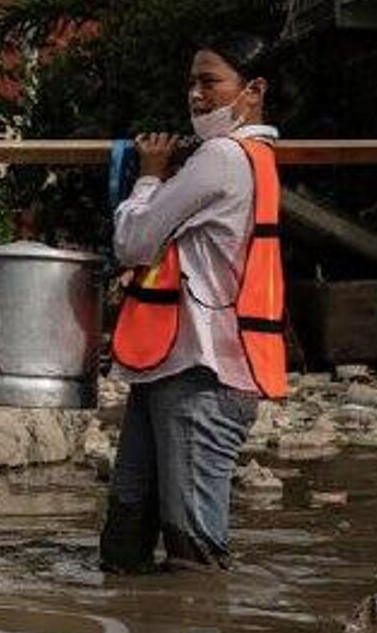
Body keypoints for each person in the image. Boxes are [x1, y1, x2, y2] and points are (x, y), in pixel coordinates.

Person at [101, 33, 288, 573]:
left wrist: (149, 178)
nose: (196, 95)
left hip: (203, 375)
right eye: (192, 83)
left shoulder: (224, 157)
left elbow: (133, 241)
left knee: (194, 556)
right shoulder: (254, 156)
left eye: (210, 82)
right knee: (124, 543)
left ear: (252, 90)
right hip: (175, 368)